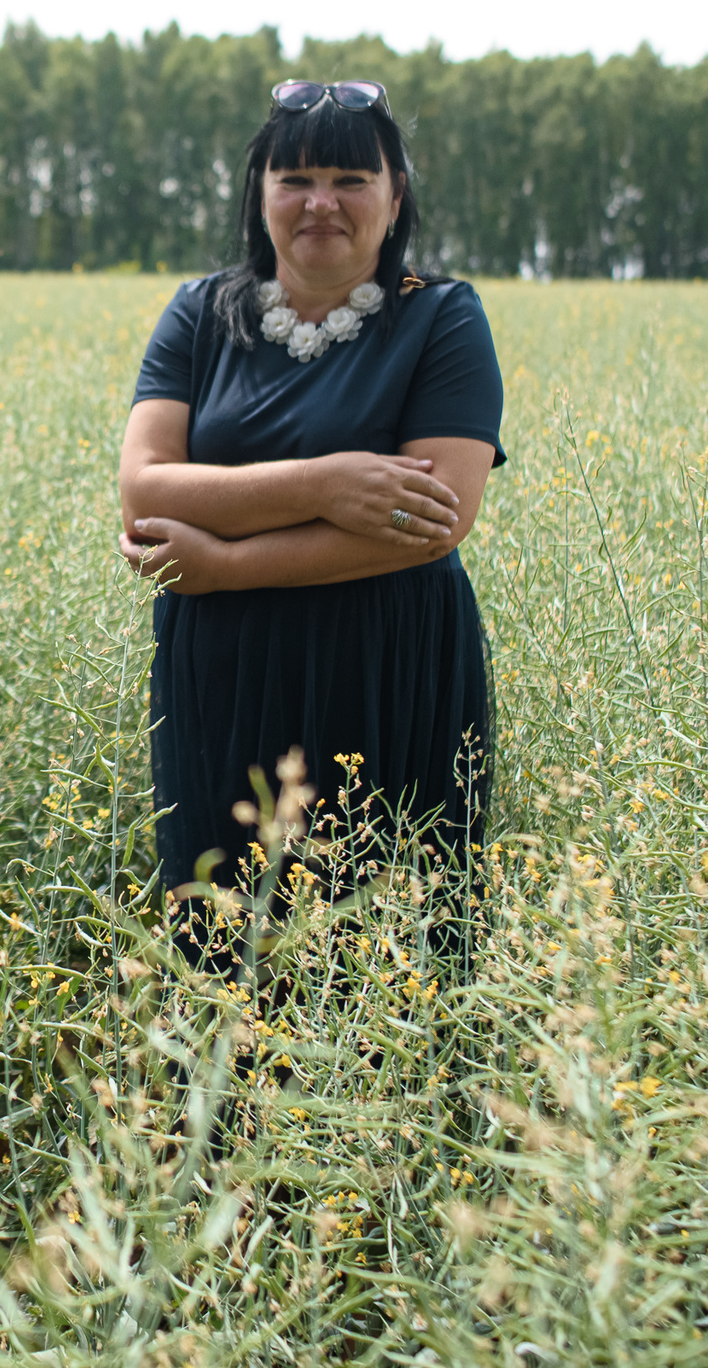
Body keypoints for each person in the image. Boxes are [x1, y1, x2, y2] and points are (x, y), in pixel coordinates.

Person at [117, 79, 503, 966]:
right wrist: (329, 482)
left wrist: (221, 560)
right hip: (220, 674)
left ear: (395, 195)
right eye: (294, 177)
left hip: (386, 667)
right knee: (222, 938)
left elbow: (433, 520)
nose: (320, 201)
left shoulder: (444, 319)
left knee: (391, 943)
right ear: (260, 194)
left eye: (349, 178)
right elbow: (144, 491)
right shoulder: (199, 314)